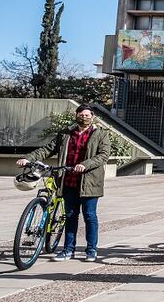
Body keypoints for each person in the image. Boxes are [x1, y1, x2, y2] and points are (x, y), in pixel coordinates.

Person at [16, 104, 111, 262]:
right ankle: (68, 250)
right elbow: (47, 149)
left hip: (89, 182)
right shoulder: (66, 133)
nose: (84, 117)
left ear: (92, 117)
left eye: (87, 115)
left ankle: (91, 249)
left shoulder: (101, 134)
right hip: (68, 180)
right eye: (81, 115)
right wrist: (28, 158)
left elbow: (103, 155)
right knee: (70, 216)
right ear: (76, 115)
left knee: (89, 216)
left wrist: (85, 165)